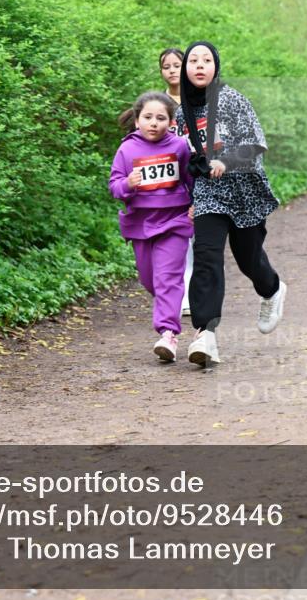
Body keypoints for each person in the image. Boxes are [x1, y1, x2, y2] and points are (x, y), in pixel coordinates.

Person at [175, 41, 287, 366]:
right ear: (185, 69)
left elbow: (255, 144)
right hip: (209, 193)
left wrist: (227, 160)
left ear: (216, 66)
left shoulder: (232, 99)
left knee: (249, 260)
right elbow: (187, 159)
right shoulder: (183, 113)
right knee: (207, 256)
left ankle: (273, 290)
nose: (199, 65)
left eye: (206, 60)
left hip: (244, 190)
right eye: (193, 60)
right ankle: (205, 333)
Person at [109, 92, 193, 362]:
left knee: (167, 278)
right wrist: (128, 185)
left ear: (170, 122)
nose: (153, 123)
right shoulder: (127, 150)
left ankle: (168, 334)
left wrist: (195, 206)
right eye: (147, 117)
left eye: (160, 118)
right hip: (141, 224)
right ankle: (170, 303)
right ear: (136, 121)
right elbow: (115, 186)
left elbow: (192, 180)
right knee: (150, 279)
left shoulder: (179, 147)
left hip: (174, 222)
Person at [159, 48, 194, 316]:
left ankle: (192, 289)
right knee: (177, 233)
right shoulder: (158, 103)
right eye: (166, 66)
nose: (171, 70)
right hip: (168, 175)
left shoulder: (198, 98)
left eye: (176, 65)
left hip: (196, 172)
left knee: (195, 231)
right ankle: (178, 291)